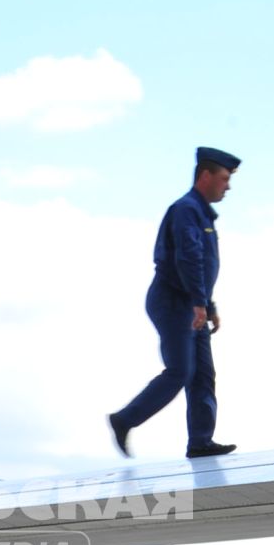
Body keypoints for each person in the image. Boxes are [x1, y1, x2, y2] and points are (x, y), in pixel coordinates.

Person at [108, 147, 242, 460]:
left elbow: (203, 265)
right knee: (181, 370)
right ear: (205, 176)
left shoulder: (202, 213)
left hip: (192, 303)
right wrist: (198, 303)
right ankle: (124, 419)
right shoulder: (186, 209)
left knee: (203, 375)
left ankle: (200, 441)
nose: (228, 186)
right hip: (172, 301)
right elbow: (187, 257)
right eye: (224, 179)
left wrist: (209, 305)